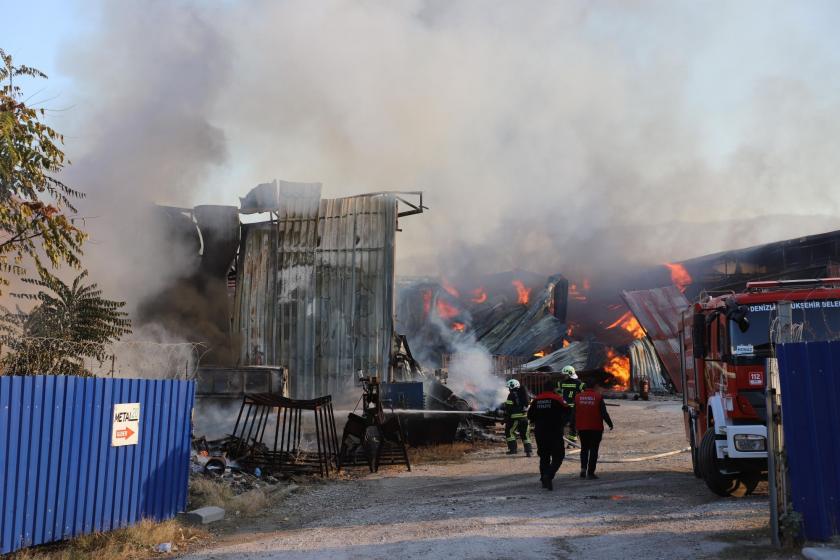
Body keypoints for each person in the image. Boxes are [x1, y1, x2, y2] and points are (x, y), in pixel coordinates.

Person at [527, 379, 569, 490]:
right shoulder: (557, 399)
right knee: (558, 456)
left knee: (544, 457)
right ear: (554, 388)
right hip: (554, 431)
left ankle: (544, 480)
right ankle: (548, 476)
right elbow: (568, 411)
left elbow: (530, 416)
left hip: (540, 432)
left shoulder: (537, 400)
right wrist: (563, 423)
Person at [575, 383, 614, 480]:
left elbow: (574, 413)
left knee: (584, 449)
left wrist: (573, 426)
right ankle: (591, 472)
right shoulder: (598, 397)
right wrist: (610, 423)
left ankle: (583, 469)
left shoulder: (578, 397)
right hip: (596, 428)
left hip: (582, 427)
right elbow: (604, 413)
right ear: (594, 387)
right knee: (594, 450)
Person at [502, 379, 532, 456]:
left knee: (509, 432)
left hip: (515, 418)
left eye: (509, 387)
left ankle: (513, 450)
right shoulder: (524, 393)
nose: (508, 389)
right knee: (525, 434)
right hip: (525, 418)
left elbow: (508, 408)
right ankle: (529, 451)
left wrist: (506, 418)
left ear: (512, 386)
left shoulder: (511, 395)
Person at [557, 365, 585, 445]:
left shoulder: (579, 383)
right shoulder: (561, 383)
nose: (563, 376)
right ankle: (560, 440)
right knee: (560, 423)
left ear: (570, 374)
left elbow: (584, 393)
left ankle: (572, 442)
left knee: (573, 424)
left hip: (575, 408)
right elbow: (558, 392)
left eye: (565, 375)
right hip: (564, 407)